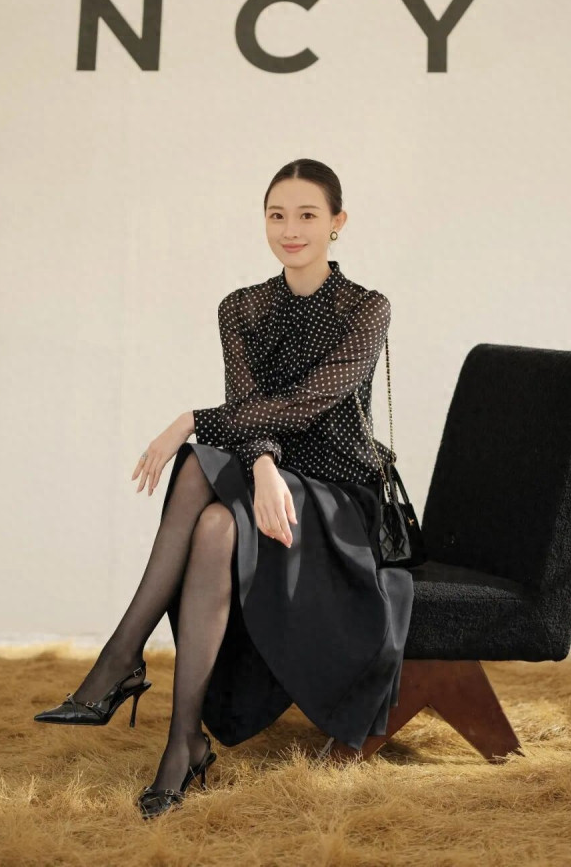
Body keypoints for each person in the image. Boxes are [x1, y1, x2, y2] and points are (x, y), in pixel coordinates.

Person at [33, 158, 415, 820]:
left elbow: (307, 403)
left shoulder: (366, 308)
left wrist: (192, 419)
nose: (290, 229)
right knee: (211, 522)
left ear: (337, 223)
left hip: (338, 495)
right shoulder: (241, 307)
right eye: (277, 215)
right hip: (269, 479)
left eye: (307, 215)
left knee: (192, 460)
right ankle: (181, 744)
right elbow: (249, 405)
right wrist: (262, 466)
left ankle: (121, 667)